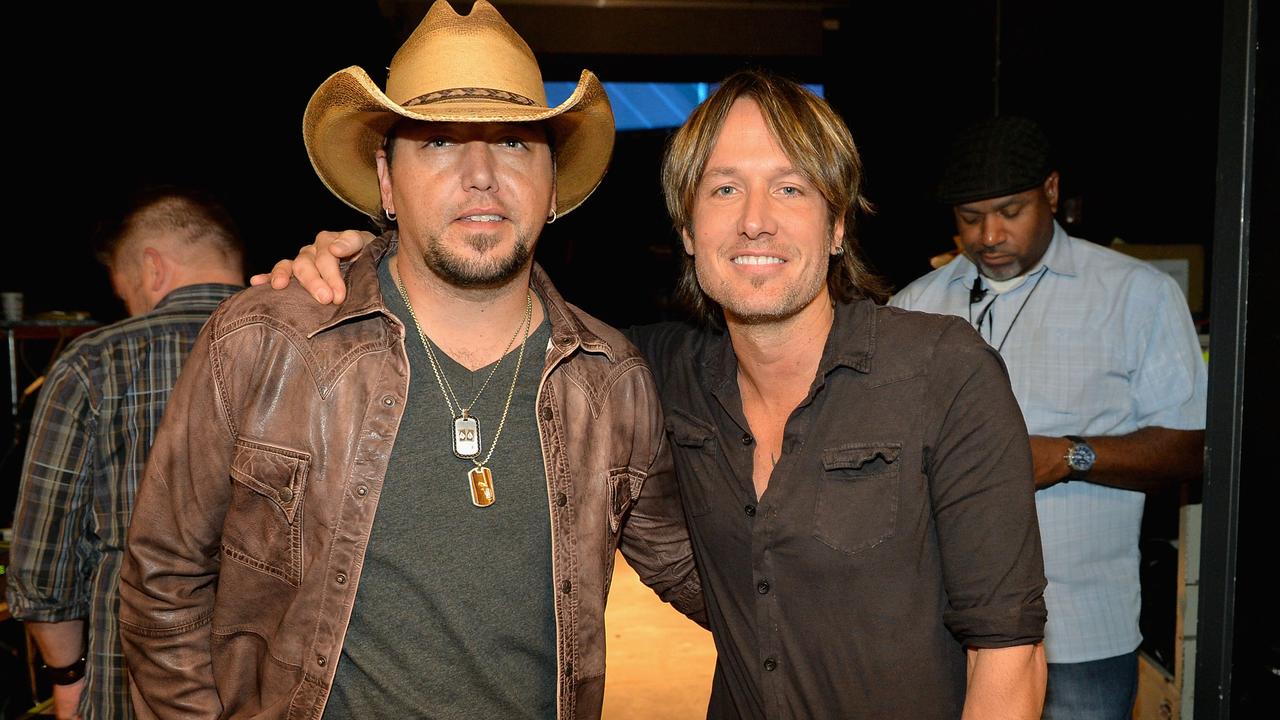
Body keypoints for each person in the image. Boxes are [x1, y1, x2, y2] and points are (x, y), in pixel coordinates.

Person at [263, 71, 1049, 719]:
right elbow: (502, 309)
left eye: (792, 189)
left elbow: (1009, 656)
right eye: (724, 191)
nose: (756, 223)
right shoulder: (657, 378)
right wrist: (369, 260)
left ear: (838, 224)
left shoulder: (943, 373)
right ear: (686, 229)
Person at [117, 2, 701, 719]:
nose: (481, 175)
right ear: (387, 183)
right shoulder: (265, 342)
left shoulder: (612, 382)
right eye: (439, 143)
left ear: (552, 184)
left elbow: (712, 578)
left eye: (515, 144)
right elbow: (161, 579)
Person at [889, 116, 1207, 718]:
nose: (988, 235)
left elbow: (1191, 447)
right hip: (941, 632)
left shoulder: (1135, 294)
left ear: (1052, 193)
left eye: (1010, 211)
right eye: (969, 217)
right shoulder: (912, 307)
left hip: (1080, 634)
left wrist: (1067, 456)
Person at [6, 187, 245, 719]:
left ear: (151, 267)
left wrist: (67, 680)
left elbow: (44, 561)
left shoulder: (94, 362)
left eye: (125, 291)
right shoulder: (311, 347)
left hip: (128, 681)